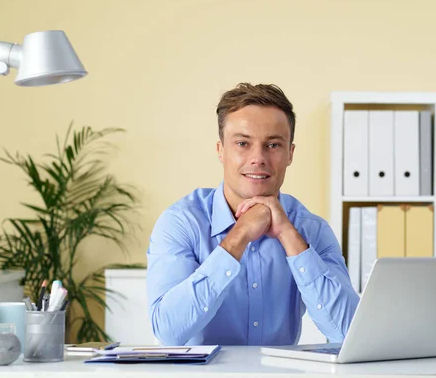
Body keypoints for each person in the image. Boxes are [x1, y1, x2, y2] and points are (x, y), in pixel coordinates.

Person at [146, 83, 359, 346]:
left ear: (290, 154)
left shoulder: (311, 229)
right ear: (220, 150)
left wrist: (289, 237)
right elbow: (169, 331)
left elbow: (348, 333)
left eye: (273, 144)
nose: (258, 158)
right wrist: (239, 237)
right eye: (243, 143)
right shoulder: (181, 222)